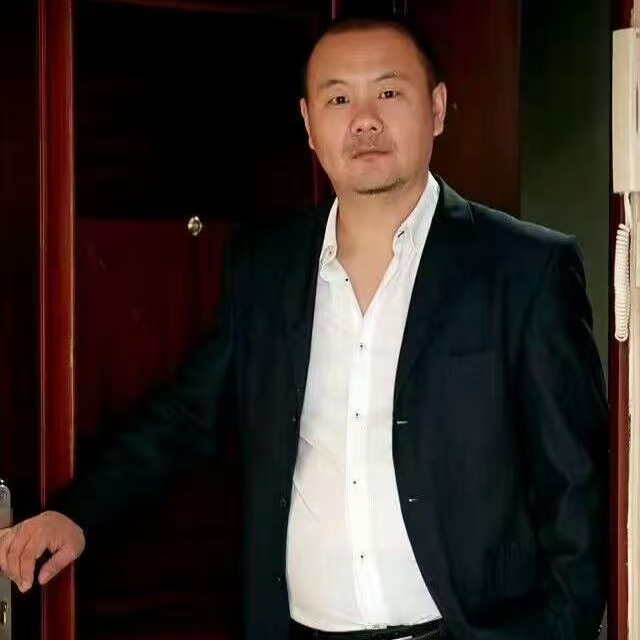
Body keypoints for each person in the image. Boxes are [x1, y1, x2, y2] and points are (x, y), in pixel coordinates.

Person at [0, 15, 608, 640]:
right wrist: (77, 515)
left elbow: (575, 485)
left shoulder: (526, 267)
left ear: (437, 108)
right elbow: (186, 416)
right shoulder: (266, 268)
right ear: (309, 124)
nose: (364, 120)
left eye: (389, 92)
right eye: (338, 99)